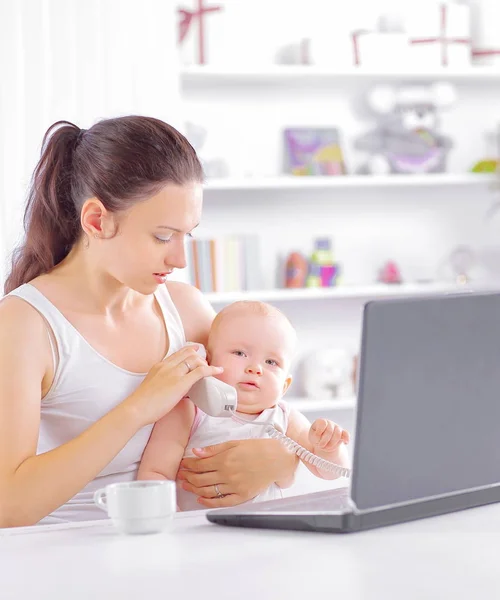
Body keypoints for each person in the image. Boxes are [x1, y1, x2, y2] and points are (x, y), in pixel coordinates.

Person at [0, 116, 300, 528]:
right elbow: (9, 508)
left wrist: (283, 461)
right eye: (162, 237)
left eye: (187, 236)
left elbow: (256, 410)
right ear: (96, 221)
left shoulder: (187, 310)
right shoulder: (25, 325)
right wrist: (139, 407)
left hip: (178, 544)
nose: (179, 260)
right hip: (68, 553)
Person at [138, 300, 350, 510]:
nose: (255, 368)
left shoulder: (285, 417)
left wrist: (329, 447)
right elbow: (156, 474)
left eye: (271, 362)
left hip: (264, 532)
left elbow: (330, 471)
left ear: (284, 386)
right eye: (240, 353)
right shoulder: (188, 410)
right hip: (198, 534)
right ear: (207, 361)